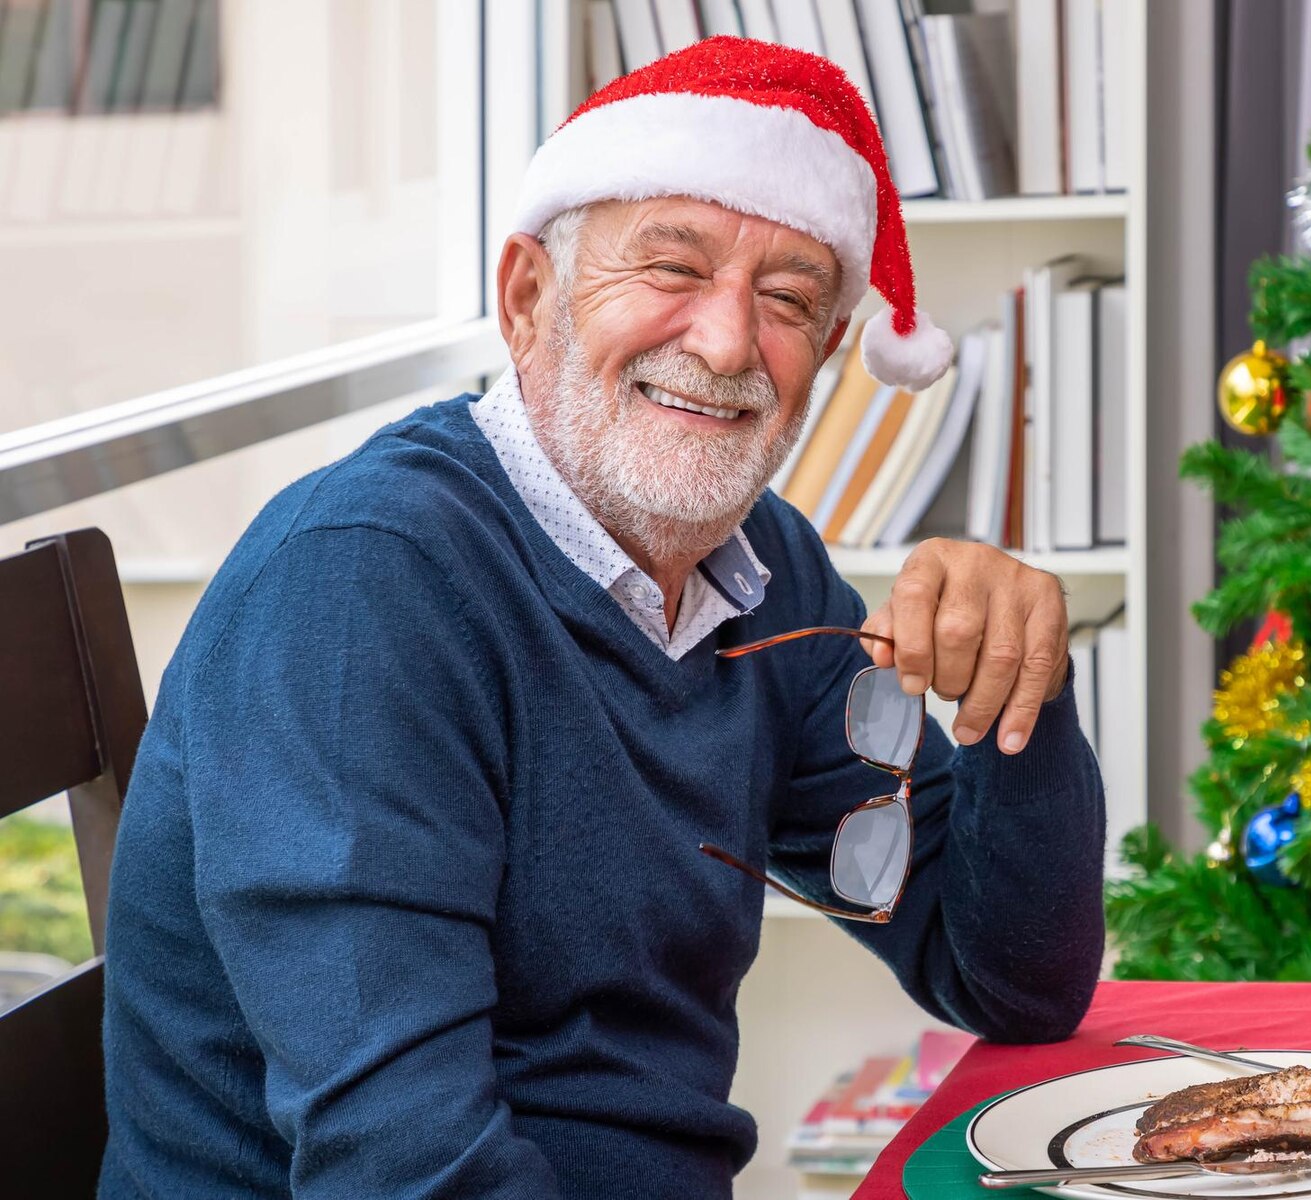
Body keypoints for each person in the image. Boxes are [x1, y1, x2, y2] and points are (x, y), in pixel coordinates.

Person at [99, 37, 1105, 1199]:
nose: (726, 343)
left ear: (827, 357)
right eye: (670, 269)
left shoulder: (758, 567)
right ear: (528, 297)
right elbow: (402, 1168)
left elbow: (1010, 981)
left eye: (785, 300)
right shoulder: (362, 588)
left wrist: (1016, 685)